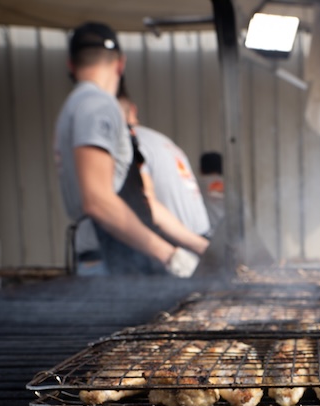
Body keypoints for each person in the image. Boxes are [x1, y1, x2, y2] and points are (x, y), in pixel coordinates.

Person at [55, 22, 208, 277]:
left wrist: (201, 248)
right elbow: (97, 201)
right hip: (113, 258)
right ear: (120, 64)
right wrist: (169, 255)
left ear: (71, 65)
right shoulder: (97, 105)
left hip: (120, 256)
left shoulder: (76, 106)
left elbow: (145, 202)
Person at [116, 88, 212, 240]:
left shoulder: (128, 143)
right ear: (133, 109)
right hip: (199, 235)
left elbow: (146, 202)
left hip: (177, 242)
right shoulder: (161, 141)